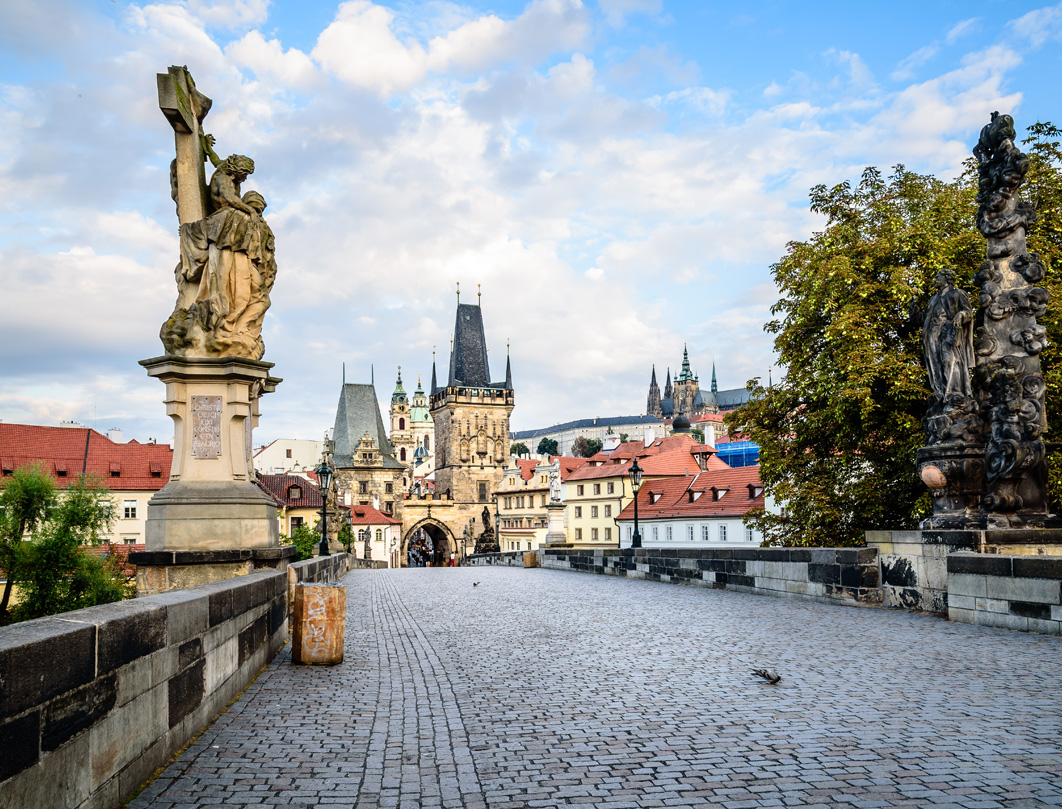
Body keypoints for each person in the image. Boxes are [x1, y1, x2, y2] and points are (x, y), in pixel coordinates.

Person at [923, 269, 974, 403]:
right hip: (932, 334)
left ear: (947, 279)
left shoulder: (957, 293)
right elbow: (924, 319)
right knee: (936, 365)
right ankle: (942, 394)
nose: (936, 279)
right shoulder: (933, 298)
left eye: (938, 276)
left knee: (949, 360)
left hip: (948, 331)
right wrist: (914, 311)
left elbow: (968, 312)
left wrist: (961, 314)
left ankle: (954, 393)